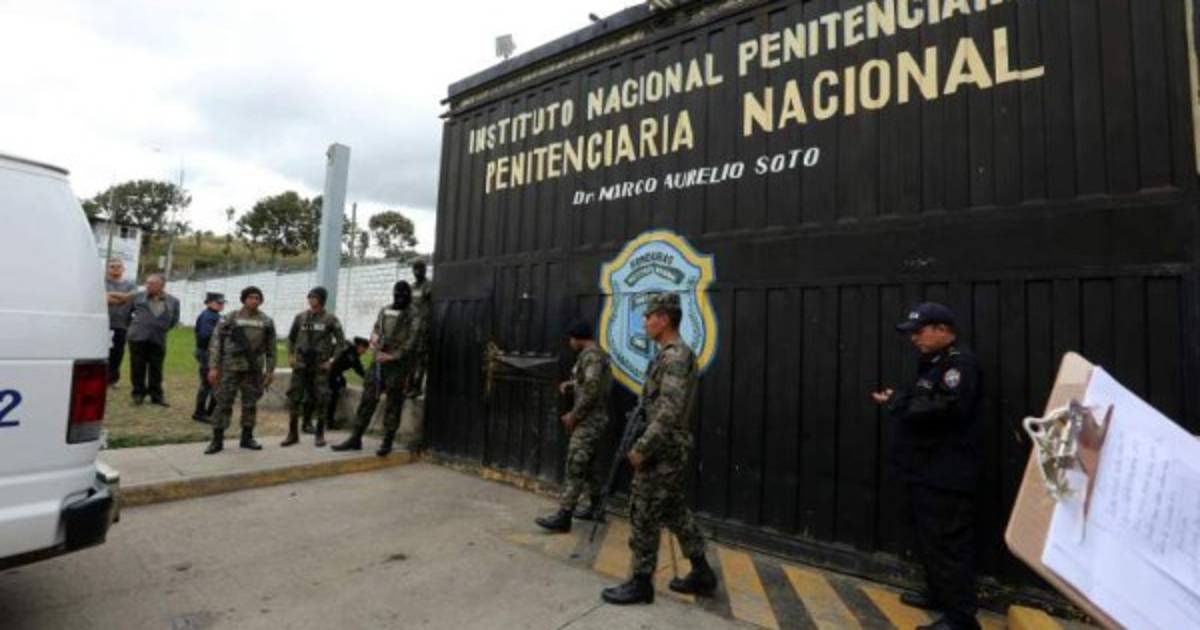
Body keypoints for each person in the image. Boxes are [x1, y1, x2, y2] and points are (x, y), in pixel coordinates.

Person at [870, 302, 982, 630]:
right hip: (927, 469)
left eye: (919, 331)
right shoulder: (935, 363)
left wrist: (898, 402)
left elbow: (945, 408)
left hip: (948, 473)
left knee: (948, 546)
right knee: (930, 540)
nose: (914, 338)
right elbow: (926, 398)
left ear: (942, 330)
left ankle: (960, 620)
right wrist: (902, 398)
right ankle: (939, 594)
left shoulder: (959, 365)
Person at [601, 292, 716, 605]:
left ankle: (641, 583)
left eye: (648, 316)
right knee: (673, 509)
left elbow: (668, 411)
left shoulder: (675, 357)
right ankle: (702, 572)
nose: (645, 322)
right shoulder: (669, 355)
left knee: (644, 510)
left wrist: (642, 447)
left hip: (663, 448)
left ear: (663, 319)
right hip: (667, 444)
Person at [535, 321, 611, 532]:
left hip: (589, 421)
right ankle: (596, 508)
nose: (570, 342)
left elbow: (592, 389)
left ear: (577, 338)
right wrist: (571, 384)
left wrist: (573, 415)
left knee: (575, 465)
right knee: (590, 466)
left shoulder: (591, 356)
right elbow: (588, 383)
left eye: (571, 338)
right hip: (593, 420)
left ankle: (564, 516)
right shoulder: (594, 355)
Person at [331, 281, 419, 457]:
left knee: (393, 404)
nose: (399, 299)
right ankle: (356, 437)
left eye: (403, 296)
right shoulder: (385, 310)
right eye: (397, 295)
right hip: (378, 363)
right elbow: (377, 328)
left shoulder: (414, 315)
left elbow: (413, 340)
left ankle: (387, 441)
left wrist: (394, 356)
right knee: (367, 399)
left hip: (398, 366)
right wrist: (374, 339)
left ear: (408, 297)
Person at [204, 286, 277, 455]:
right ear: (244, 299)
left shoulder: (266, 321)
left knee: (250, 404)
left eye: (257, 298)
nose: (254, 301)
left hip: (253, 369)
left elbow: (271, 349)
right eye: (250, 297)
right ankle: (217, 440)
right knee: (223, 403)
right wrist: (213, 367)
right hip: (229, 367)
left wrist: (269, 371)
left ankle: (247, 438)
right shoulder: (230, 318)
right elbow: (216, 343)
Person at [282, 287, 346, 448]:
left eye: (314, 297)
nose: (311, 299)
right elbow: (291, 338)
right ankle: (292, 433)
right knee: (295, 397)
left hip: (319, 365)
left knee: (321, 399)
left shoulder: (330, 319)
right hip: (301, 364)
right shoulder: (300, 317)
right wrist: (290, 356)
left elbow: (341, 343)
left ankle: (319, 434)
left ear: (322, 299)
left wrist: (331, 361)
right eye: (309, 297)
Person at [126, 273, 181, 406]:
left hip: (158, 338)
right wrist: (135, 327)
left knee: (156, 368)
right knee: (137, 366)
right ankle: (138, 394)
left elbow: (174, 320)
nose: (148, 285)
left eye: (152, 283)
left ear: (162, 285)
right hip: (137, 337)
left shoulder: (173, 301)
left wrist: (161, 328)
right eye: (147, 283)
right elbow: (127, 314)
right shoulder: (137, 297)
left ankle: (156, 395)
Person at [319, 337, 369, 430]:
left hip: (334, 373)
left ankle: (327, 420)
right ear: (360, 346)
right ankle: (328, 422)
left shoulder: (353, 354)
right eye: (364, 349)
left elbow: (359, 370)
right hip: (328, 373)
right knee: (332, 397)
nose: (364, 352)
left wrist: (369, 379)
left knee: (339, 387)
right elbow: (334, 362)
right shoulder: (346, 351)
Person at [192, 292, 226, 423]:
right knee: (208, 383)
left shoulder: (215, 316)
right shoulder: (208, 316)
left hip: (212, 353)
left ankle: (210, 411)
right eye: (218, 303)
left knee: (214, 383)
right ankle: (200, 412)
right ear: (209, 302)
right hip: (207, 353)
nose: (221, 305)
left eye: (222, 303)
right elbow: (206, 336)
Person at [103, 258, 135, 388]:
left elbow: (131, 297)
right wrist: (123, 297)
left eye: (118, 266)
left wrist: (111, 295)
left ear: (123, 269)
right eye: (112, 266)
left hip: (121, 325)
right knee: (102, 351)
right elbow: (104, 298)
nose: (115, 269)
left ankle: (113, 380)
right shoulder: (101, 283)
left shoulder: (130, 284)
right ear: (107, 269)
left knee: (117, 353)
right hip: (103, 325)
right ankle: (101, 378)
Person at [407, 260, 433, 396]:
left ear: (424, 270)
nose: (416, 272)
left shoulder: (429, 286)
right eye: (415, 269)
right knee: (410, 358)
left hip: (423, 329)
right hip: (412, 329)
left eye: (419, 269)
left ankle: (417, 387)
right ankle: (409, 385)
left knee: (420, 359)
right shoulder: (412, 287)